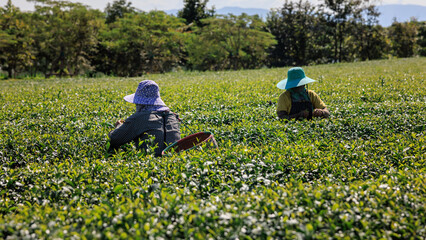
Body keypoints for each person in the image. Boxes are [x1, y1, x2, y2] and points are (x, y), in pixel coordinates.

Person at [108, 80, 181, 156]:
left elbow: (114, 139)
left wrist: (118, 126)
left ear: (140, 103)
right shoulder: (171, 116)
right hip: (173, 160)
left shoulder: (139, 117)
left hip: (150, 163)